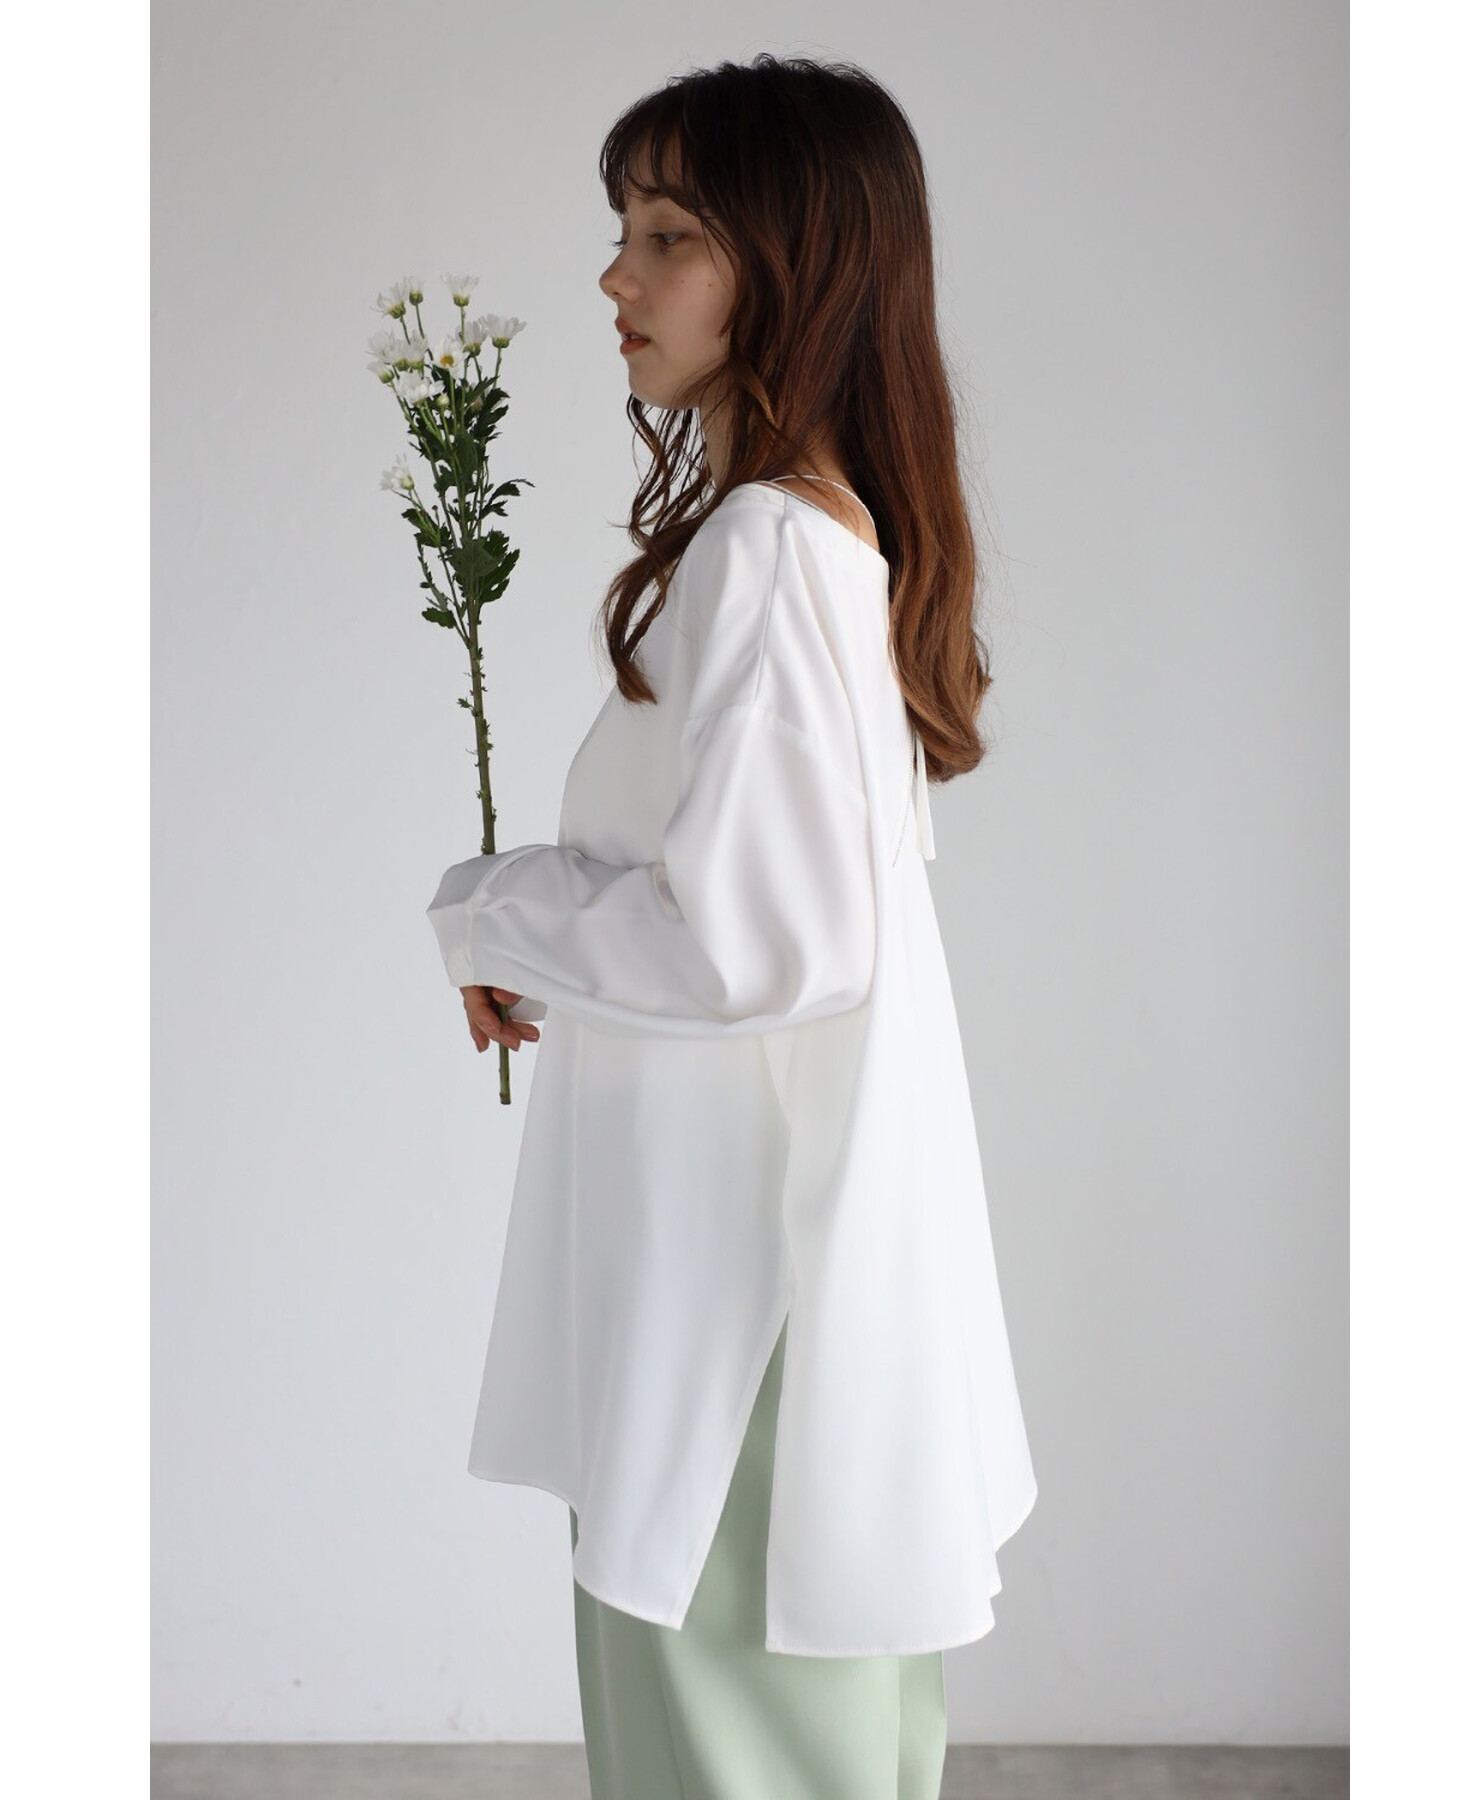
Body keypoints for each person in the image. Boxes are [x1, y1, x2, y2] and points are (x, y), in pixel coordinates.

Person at [426, 52, 1038, 1800]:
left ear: (795, 266)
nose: (615, 276)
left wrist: (489, 912)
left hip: (733, 1308)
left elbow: (762, 950)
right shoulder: (829, 537)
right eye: (624, 229)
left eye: (668, 234)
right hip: (778, 1281)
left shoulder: (770, 546)